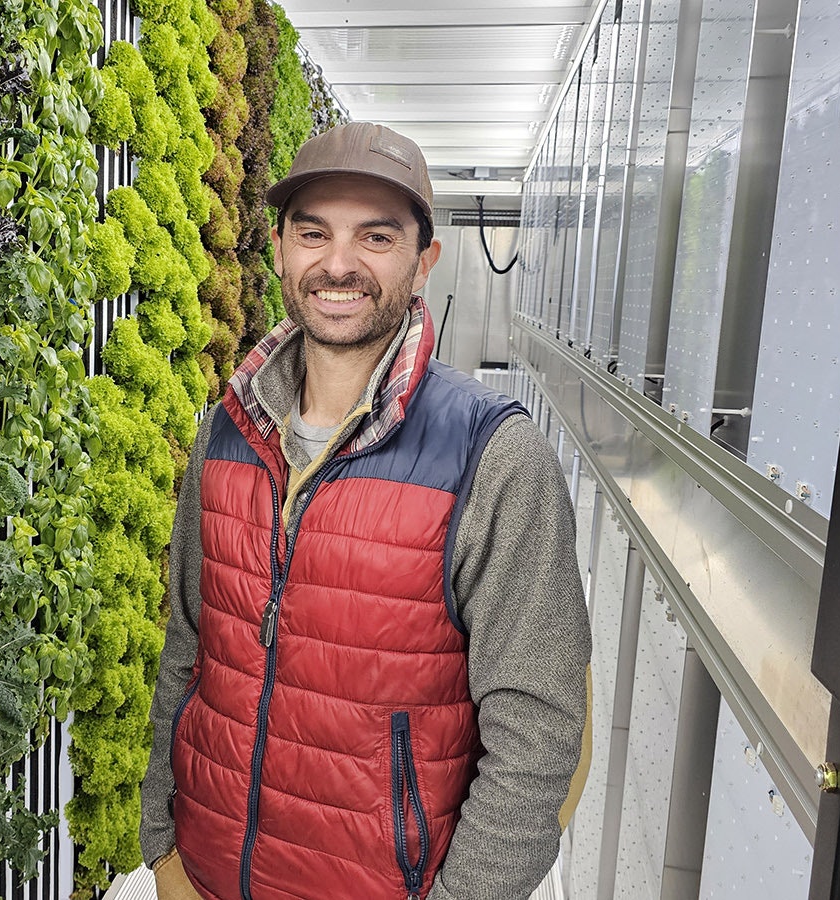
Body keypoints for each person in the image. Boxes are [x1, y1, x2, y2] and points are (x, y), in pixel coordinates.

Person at [139, 121, 592, 900]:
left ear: (424, 262)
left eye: (375, 237)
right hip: (206, 876)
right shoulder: (227, 430)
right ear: (280, 249)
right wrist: (162, 844)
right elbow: (188, 644)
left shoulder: (491, 458)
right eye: (313, 233)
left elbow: (540, 735)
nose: (338, 264)